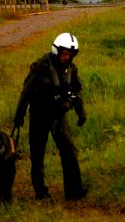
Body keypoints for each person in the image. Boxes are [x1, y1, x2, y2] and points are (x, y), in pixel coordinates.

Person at [14, 32, 88, 201]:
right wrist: (19, 116)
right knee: (37, 154)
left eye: (69, 54)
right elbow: (25, 92)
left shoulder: (71, 69)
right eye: (64, 53)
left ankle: (74, 190)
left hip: (58, 116)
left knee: (69, 151)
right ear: (56, 51)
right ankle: (41, 193)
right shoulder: (41, 67)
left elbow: (76, 90)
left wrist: (81, 112)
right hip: (39, 116)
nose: (66, 57)